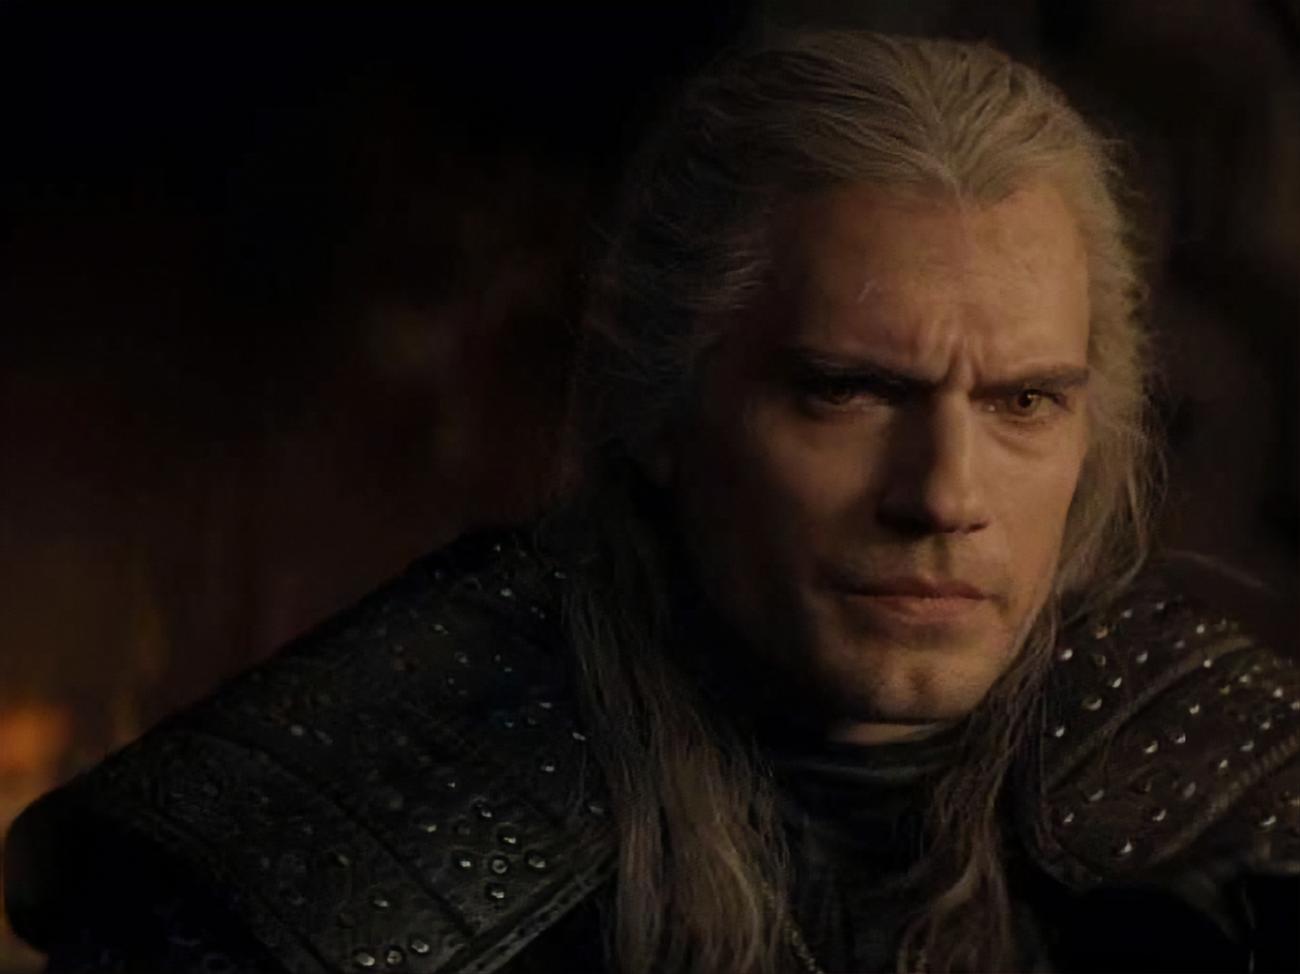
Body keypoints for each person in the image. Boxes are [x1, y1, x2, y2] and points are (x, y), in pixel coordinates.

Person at [5, 30, 1298, 974]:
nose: (946, 495)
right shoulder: (312, 852)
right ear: (671, 406)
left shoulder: (1236, 779)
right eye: (845, 391)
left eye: (1024, 401)